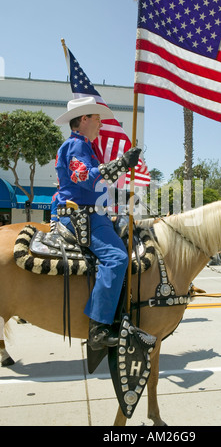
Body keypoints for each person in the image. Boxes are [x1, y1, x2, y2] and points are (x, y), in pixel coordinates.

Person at [54, 97, 141, 350]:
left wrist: (121, 192)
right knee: (117, 258)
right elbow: (84, 179)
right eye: (97, 119)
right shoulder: (75, 145)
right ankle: (98, 328)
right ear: (84, 120)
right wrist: (122, 163)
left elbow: (94, 185)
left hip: (92, 212)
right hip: (83, 216)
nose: (101, 124)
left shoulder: (85, 147)